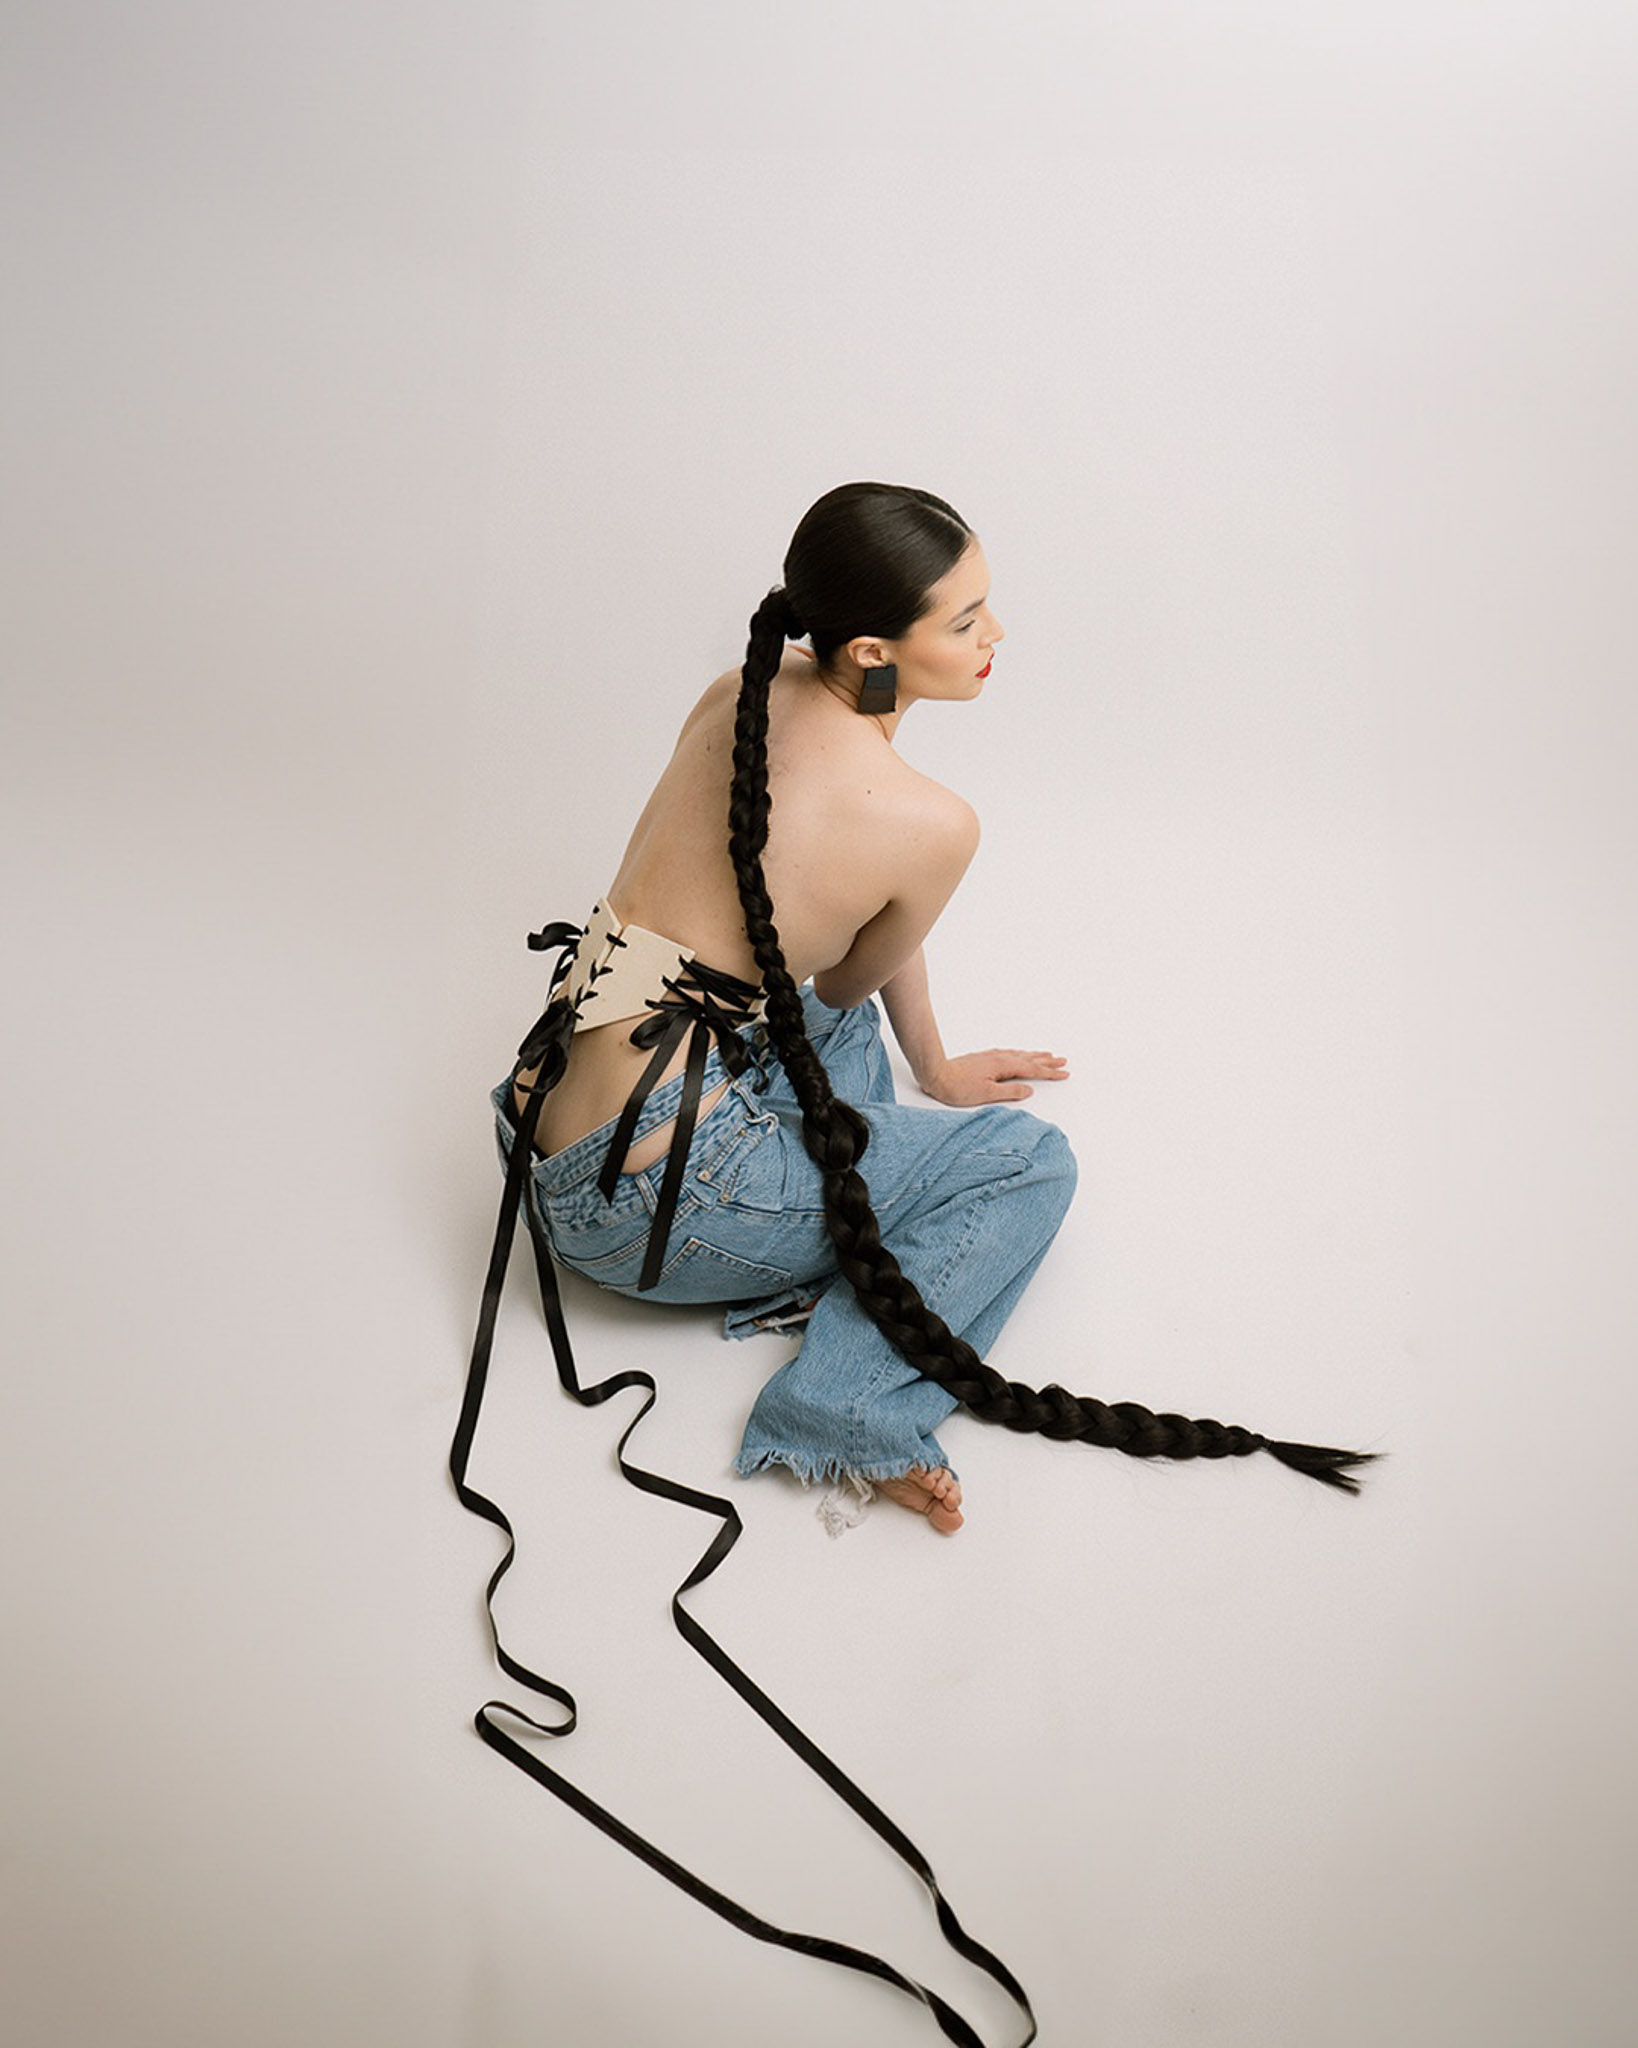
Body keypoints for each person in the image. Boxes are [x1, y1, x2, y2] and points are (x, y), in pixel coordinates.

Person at [494, 482, 1372, 1534]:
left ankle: (839, 1249)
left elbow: (837, 983)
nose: (995, 634)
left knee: (834, 1030)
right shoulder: (928, 821)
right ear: (875, 650)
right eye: (964, 620)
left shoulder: (740, 691)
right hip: (648, 1208)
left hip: (541, 1123)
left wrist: (939, 1067)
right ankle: (843, 1403)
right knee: (1026, 1162)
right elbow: (844, 978)